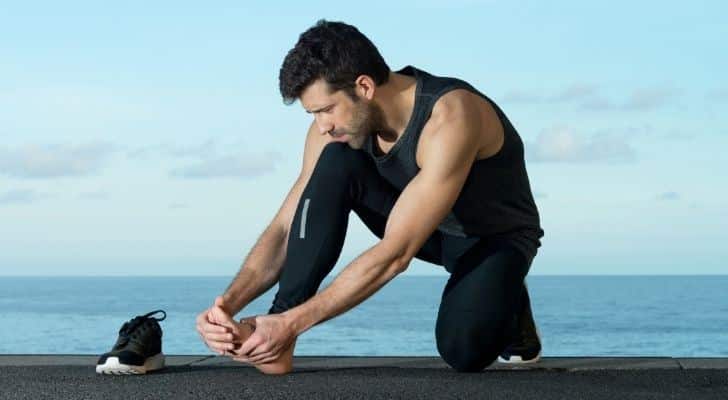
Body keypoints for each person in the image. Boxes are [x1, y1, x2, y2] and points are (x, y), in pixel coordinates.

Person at [195, 19, 544, 375]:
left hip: (492, 239)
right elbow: (288, 227)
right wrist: (226, 306)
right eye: (312, 113)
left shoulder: (451, 116)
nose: (321, 125)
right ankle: (276, 336)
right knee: (334, 159)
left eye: (326, 109)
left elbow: (396, 253)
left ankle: (510, 299)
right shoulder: (335, 131)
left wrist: (294, 322)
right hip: (427, 229)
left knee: (463, 351)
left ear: (364, 86)